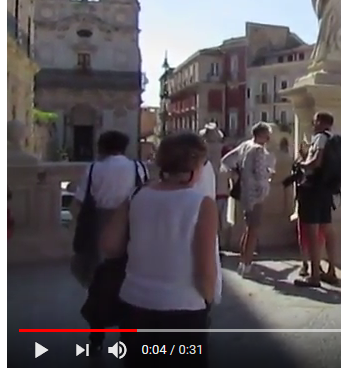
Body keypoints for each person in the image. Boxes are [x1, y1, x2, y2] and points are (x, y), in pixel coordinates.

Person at [101, 132, 220, 367]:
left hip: (134, 305)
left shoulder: (136, 195)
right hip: (183, 309)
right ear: (196, 165)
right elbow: (205, 268)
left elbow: (109, 246)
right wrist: (207, 299)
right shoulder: (202, 203)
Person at [69, 130, 148, 351]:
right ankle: (128, 337)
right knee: (129, 281)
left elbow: (78, 204)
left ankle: (96, 339)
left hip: (99, 228)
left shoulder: (94, 168)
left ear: (102, 147)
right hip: (132, 228)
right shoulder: (138, 167)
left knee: (98, 284)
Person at [294, 112, 341, 288]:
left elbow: (316, 162)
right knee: (328, 230)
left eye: (314, 121)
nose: (313, 124)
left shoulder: (320, 138)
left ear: (321, 122)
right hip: (326, 190)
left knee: (312, 232)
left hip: (313, 189)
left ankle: (314, 275)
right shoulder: (333, 139)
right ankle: (331, 272)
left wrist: (302, 163)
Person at [221, 122, 273, 276]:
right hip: (256, 194)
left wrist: (236, 175)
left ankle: (243, 261)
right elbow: (260, 173)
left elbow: (226, 161)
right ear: (262, 135)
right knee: (253, 229)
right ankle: (247, 264)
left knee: (248, 228)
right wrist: (268, 175)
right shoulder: (258, 149)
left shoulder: (244, 145)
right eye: (268, 134)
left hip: (244, 193)